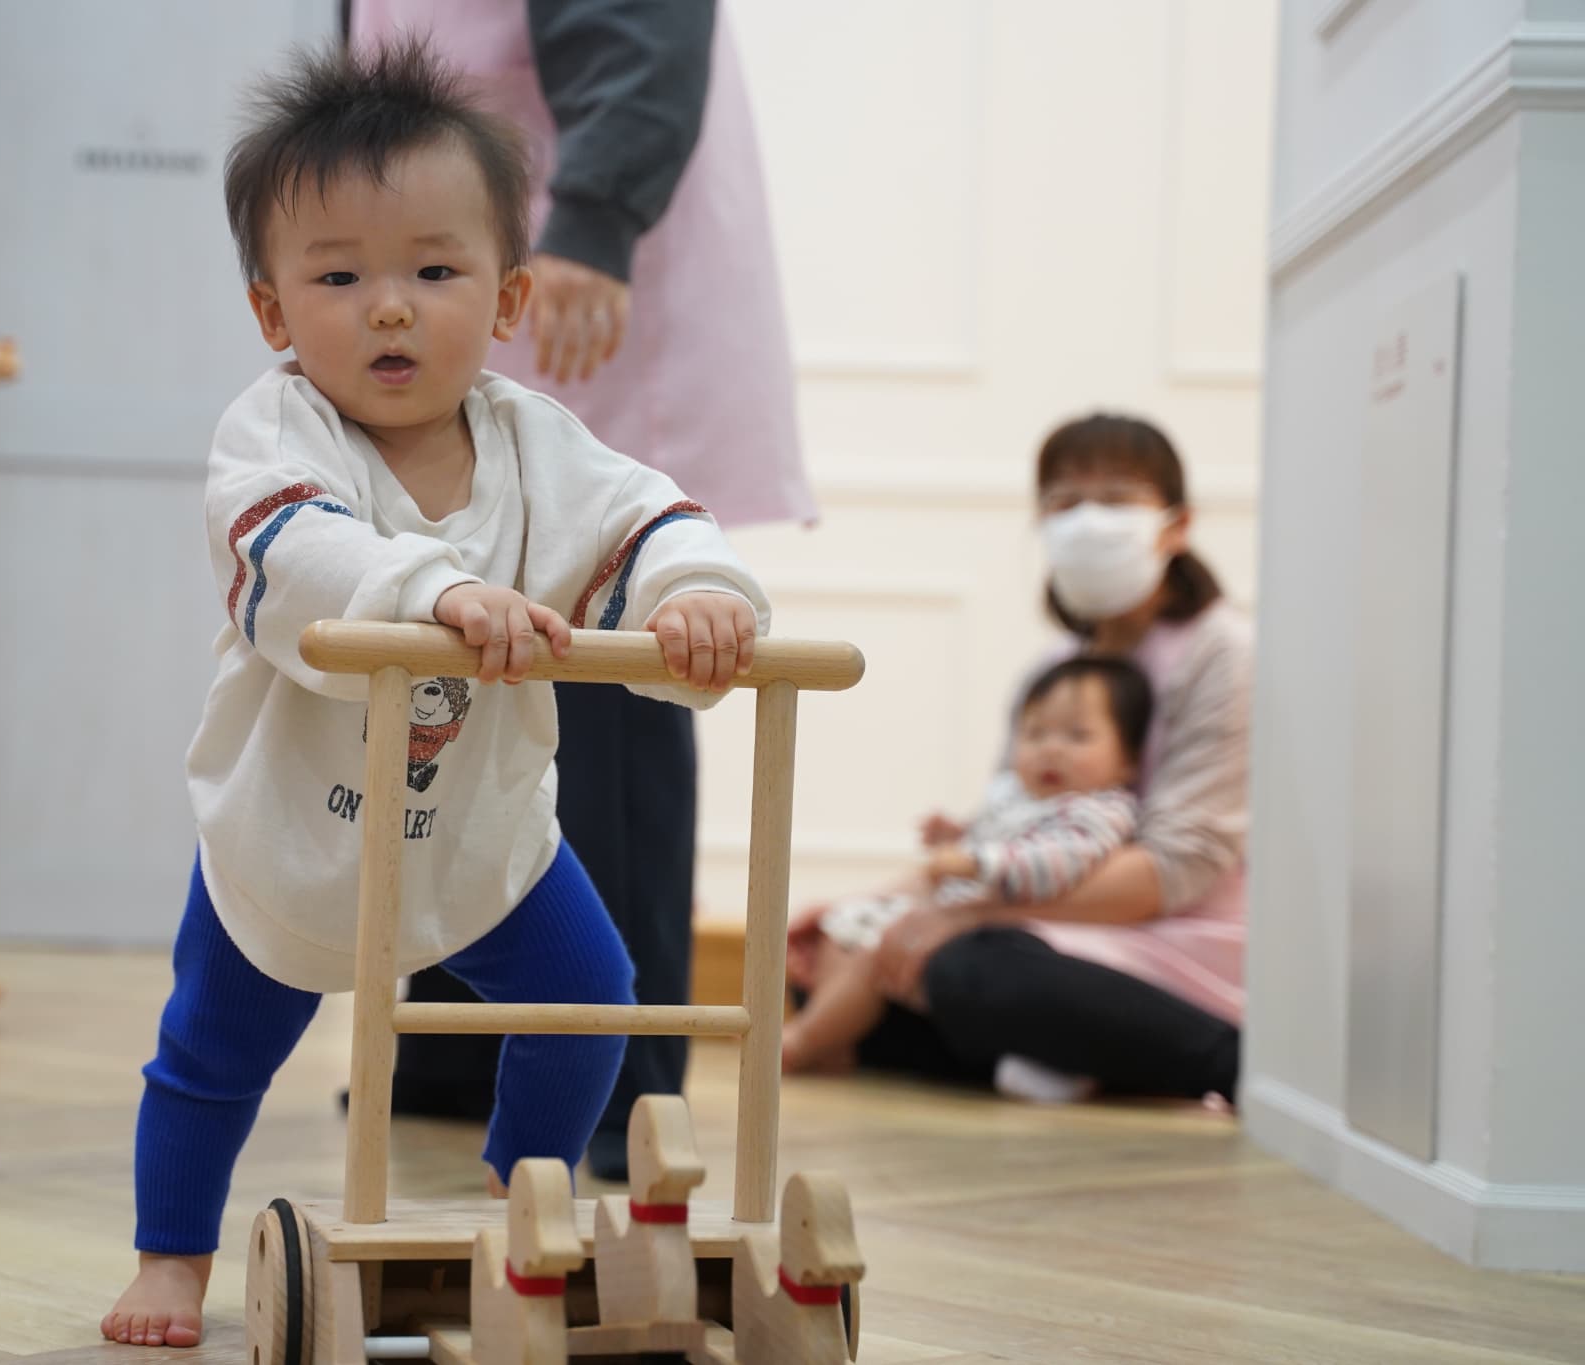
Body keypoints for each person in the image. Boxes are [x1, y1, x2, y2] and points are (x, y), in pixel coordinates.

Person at [98, 42, 769, 1349]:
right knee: (210, 1050)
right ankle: (171, 1255)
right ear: (273, 312)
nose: (389, 311)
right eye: (339, 278)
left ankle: (525, 1198)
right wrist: (439, 591)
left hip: (474, 819)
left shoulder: (536, 444)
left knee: (589, 995)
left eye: (433, 273)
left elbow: (644, 515)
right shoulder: (275, 434)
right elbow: (293, 550)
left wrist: (694, 590)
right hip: (296, 822)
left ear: (508, 298)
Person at [352, 0, 815, 1183]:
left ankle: (613, 1072)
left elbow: (638, 29)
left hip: (567, 277)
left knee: (598, 685)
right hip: (451, 266)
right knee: (448, 676)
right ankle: (461, 1043)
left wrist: (595, 220)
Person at [787, 414, 1250, 1105]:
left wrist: (975, 915)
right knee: (833, 955)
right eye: (1065, 501)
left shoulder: (1223, 653)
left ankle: (1231, 1063)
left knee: (973, 968)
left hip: (1175, 939)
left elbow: (1177, 869)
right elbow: (1005, 833)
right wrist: (872, 906)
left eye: (1116, 499)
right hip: (1044, 920)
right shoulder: (1055, 668)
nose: (1088, 520)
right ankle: (1077, 1057)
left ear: (1176, 525)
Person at [783, 656, 1152, 1076]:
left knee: (873, 948)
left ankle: (804, 1040)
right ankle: (837, 1040)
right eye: (1035, 733)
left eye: (1077, 735)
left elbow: (1054, 863)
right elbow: (987, 834)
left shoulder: (1097, 811)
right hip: (952, 909)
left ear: (1128, 761)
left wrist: (977, 861)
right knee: (843, 929)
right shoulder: (1015, 794)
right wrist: (956, 835)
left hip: (1007, 928)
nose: (1051, 749)